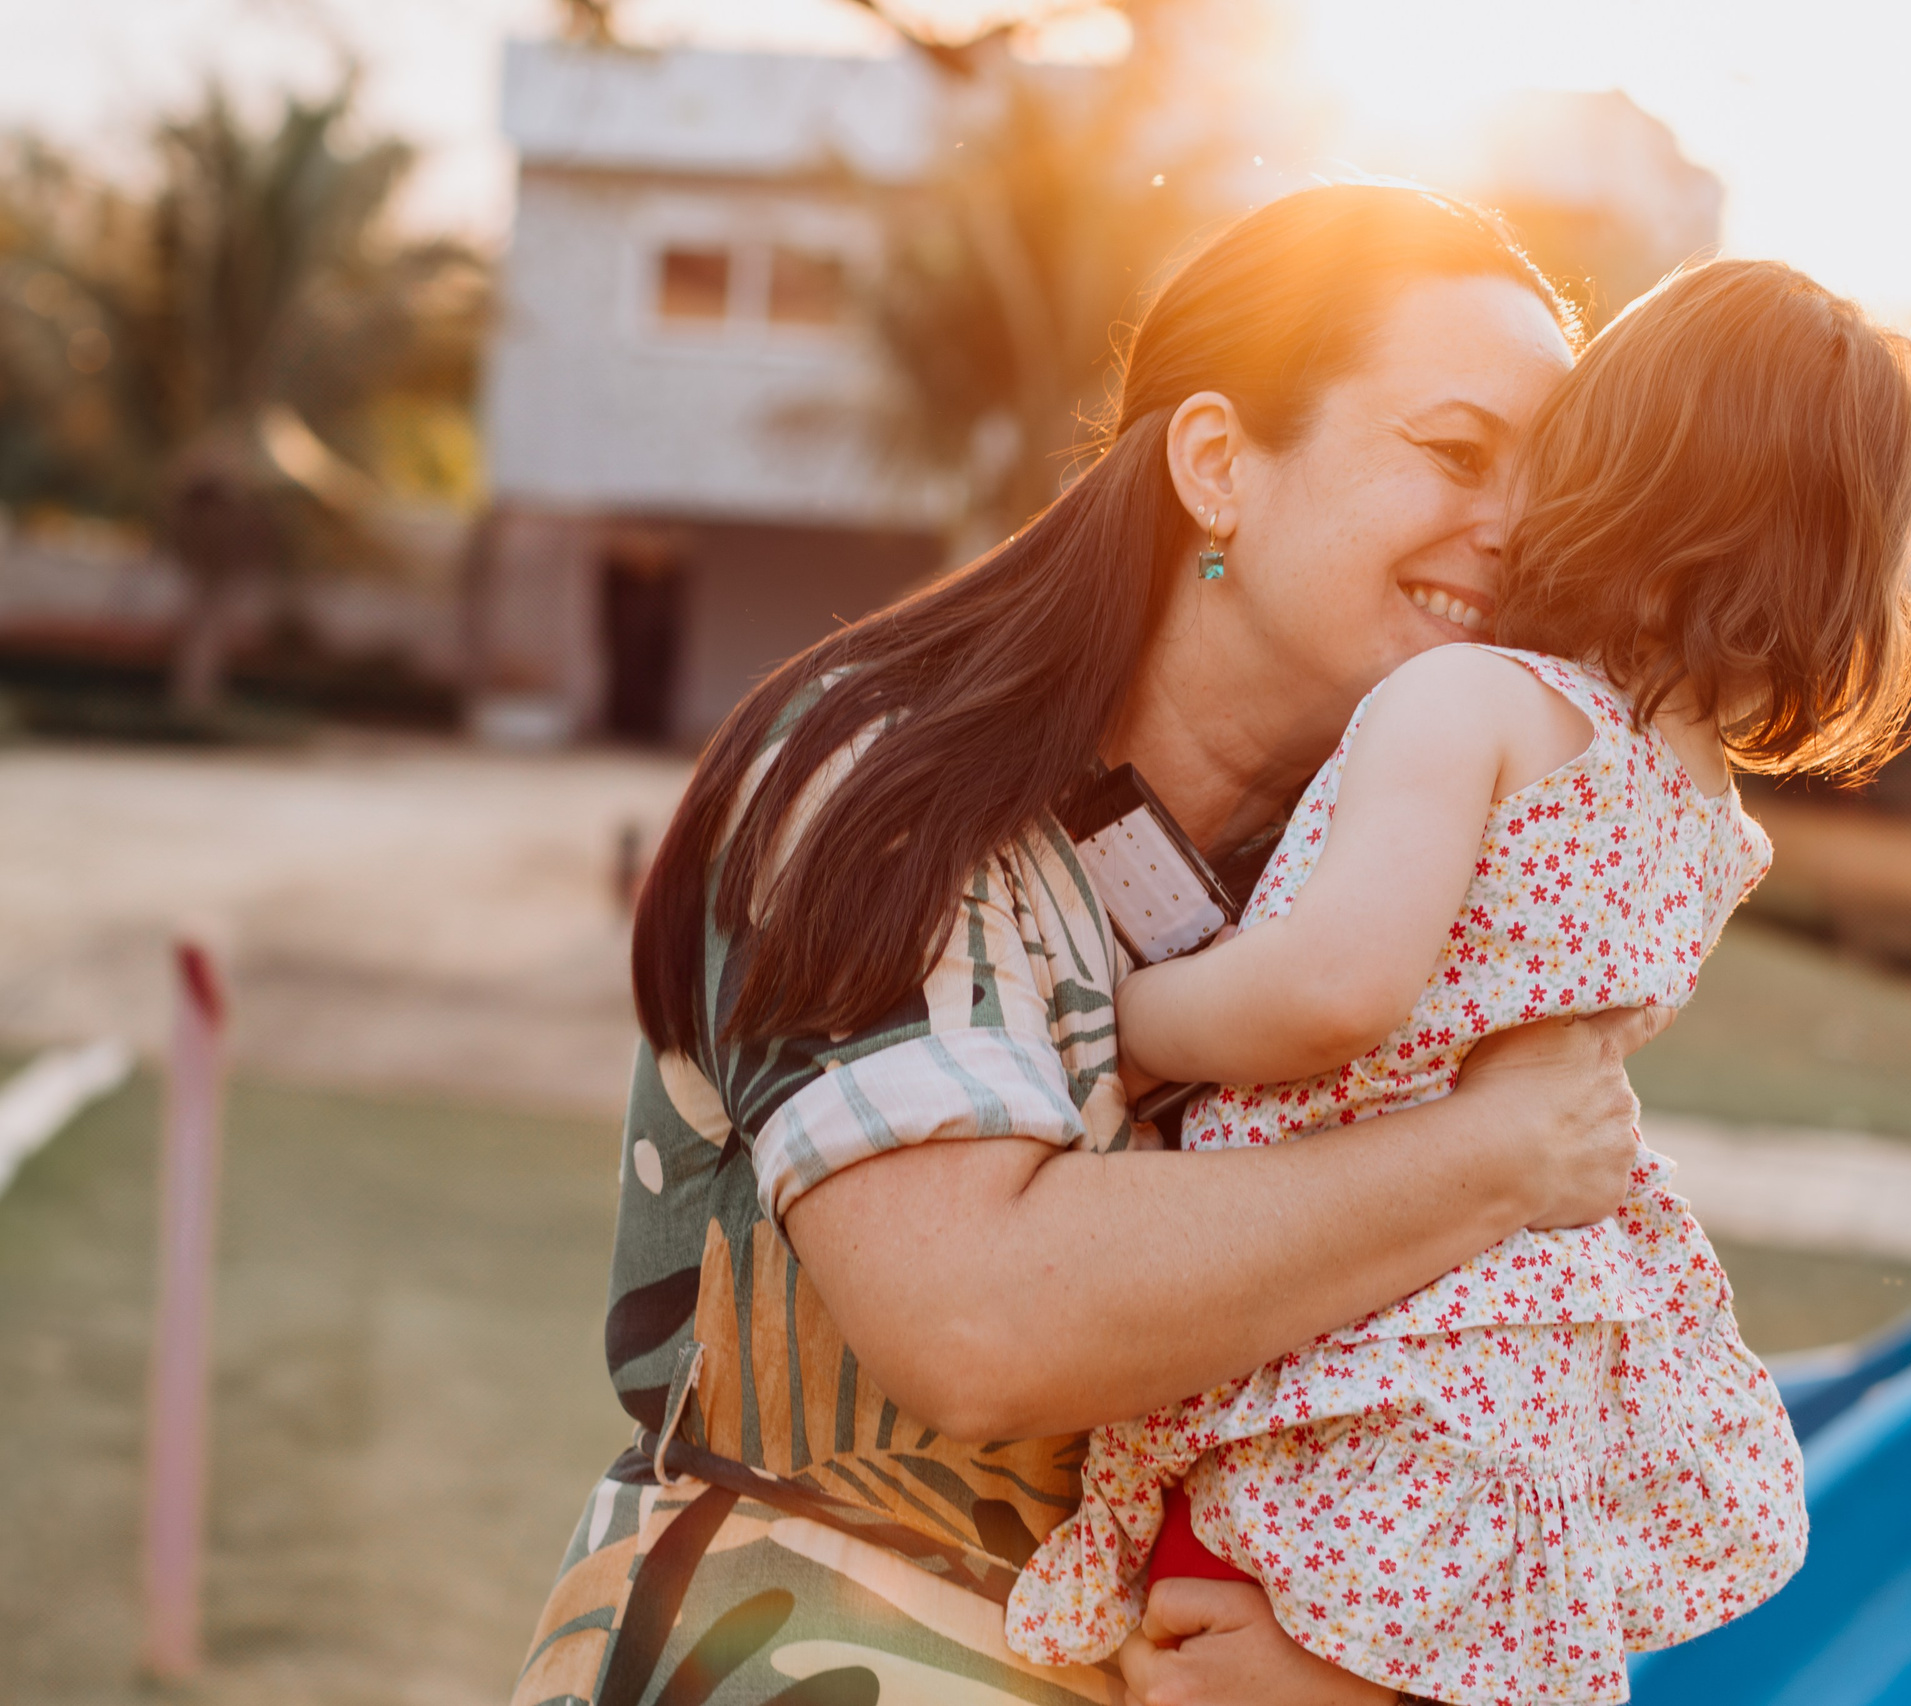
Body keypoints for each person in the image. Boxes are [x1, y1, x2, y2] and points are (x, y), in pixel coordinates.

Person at [509, 184, 1662, 1706]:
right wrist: (1490, 1158)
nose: (1515, 532)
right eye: (1457, 453)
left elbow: (1484, 1388)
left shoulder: (1389, 906)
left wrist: (1353, 1669)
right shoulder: (886, 782)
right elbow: (973, 1319)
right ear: (1218, 464)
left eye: (1550, 488)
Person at [1004, 260, 1911, 1704]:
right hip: (1510, 1363)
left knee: (1195, 1641)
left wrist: (1114, 1026)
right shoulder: (1708, 815)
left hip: (1340, 1328)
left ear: (1611, 460)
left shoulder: (1474, 703)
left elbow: (1335, 989)